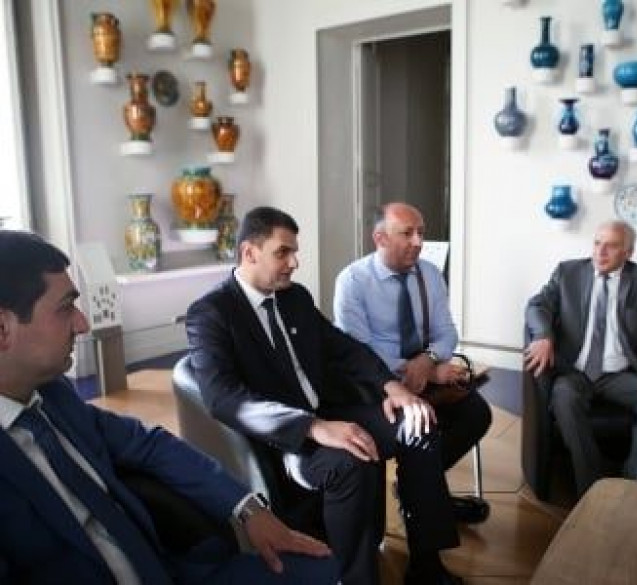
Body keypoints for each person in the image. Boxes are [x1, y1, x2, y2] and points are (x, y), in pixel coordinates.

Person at [0, 230, 339, 584]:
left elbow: (149, 444)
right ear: (3, 328)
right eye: (65, 307)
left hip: (166, 568)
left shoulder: (55, 395)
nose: (83, 323)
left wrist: (247, 508)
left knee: (322, 568)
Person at [185, 206, 463, 585]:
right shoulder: (211, 313)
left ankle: (426, 566)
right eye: (283, 253)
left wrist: (392, 386)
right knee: (350, 461)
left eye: (294, 252)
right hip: (286, 439)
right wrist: (312, 427)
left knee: (418, 425)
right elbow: (224, 398)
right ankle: (355, 579)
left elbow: (344, 348)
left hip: (330, 410)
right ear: (249, 252)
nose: (294, 263)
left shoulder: (294, 298)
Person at [333, 202, 492, 523]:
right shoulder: (353, 280)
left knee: (477, 414)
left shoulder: (429, 274)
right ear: (380, 238)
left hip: (423, 374)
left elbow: (447, 332)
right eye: (407, 233)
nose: (418, 242)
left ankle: (413, 487)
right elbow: (359, 350)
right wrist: (427, 371)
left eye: (421, 232)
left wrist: (429, 359)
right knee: (419, 427)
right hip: (376, 385)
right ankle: (424, 496)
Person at [524, 220, 637, 498]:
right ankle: (592, 488)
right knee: (564, 397)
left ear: (628, 252)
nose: (600, 252)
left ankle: (634, 489)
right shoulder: (568, 273)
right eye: (597, 243)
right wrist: (543, 335)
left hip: (620, 376)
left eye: (611, 246)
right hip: (574, 372)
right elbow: (538, 305)